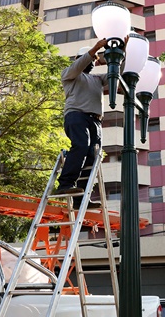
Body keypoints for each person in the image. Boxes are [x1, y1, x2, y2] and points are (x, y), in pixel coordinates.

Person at [54, 38, 109, 209]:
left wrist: (121, 54)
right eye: (89, 59)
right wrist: (95, 49)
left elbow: (116, 75)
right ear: (80, 59)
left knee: (92, 157)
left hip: (95, 121)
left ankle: (80, 198)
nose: (92, 62)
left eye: (94, 61)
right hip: (76, 116)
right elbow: (79, 65)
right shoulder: (70, 74)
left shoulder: (97, 79)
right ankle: (65, 184)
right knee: (81, 145)